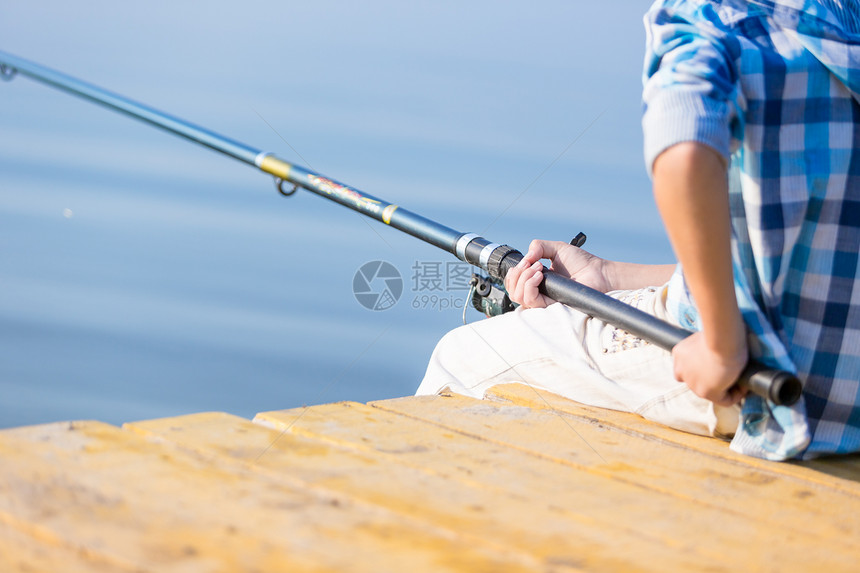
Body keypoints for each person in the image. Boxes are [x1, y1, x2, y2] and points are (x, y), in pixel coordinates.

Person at [417, 0, 860, 461]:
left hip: (770, 389)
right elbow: (806, 259)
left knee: (462, 356)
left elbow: (684, 154)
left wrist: (721, 345)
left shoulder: (716, 15)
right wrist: (610, 276)